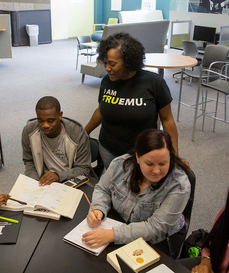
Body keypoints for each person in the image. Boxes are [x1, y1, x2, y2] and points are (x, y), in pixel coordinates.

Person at [82, 129, 191, 258]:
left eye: (163, 163)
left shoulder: (179, 185)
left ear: (170, 158)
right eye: (149, 163)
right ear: (138, 157)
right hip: (120, 222)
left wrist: (113, 235)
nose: (156, 171)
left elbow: (155, 228)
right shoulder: (120, 164)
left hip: (159, 238)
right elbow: (103, 189)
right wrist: (99, 208)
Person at [84, 32, 182, 169]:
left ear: (129, 62)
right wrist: (85, 131)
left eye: (112, 64)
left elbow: (167, 120)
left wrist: (174, 154)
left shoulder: (154, 83)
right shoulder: (107, 81)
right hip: (108, 149)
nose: (107, 68)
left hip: (142, 153)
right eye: (105, 63)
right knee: (112, 183)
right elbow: (101, 110)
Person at [22, 96, 97, 186]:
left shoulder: (77, 133)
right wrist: (35, 182)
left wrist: (58, 176)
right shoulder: (29, 131)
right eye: (40, 121)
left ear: (60, 115)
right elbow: (29, 161)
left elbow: (83, 169)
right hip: (44, 181)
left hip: (72, 180)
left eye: (50, 121)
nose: (45, 125)